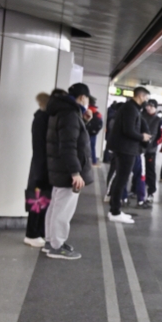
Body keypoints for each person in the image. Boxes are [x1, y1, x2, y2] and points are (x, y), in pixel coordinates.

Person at [42, 84, 94, 260]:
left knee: (56, 206)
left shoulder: (61, 111)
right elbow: (68, 146)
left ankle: (50, 241)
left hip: (59, 168)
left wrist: (84, 121)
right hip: (66, 171)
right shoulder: (70, 114)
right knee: (63, 209)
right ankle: (57, 246)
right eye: (87, 98)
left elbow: (69, 138)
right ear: (82, 97)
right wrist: (75, 173)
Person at [106, 87, 151, 223]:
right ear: (141, 96)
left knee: (121, 178)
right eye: (146, 98)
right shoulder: (130, 109)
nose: (146, 101)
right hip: (126, 149)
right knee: (121, 179)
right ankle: (115, 211)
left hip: (125, 148)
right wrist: (142, 137)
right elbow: (128, 130)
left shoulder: (131, 108)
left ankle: (115, 209)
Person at [24, 92, 51, 248]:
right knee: (38, 201)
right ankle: (32, 233)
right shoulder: (43, 119)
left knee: (40, 201)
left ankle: (37, 232)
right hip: (41, 167)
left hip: (39, 166)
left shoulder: (40, 117)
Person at [141, 99, 162, 202]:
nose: (148, 108)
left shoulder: (160, 121)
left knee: (150, 171)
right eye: (147, 106)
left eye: (150, 106)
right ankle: (135, 189)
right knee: (138, 170)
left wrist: (154, 144)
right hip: (140, 148)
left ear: (155, 107)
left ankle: (151, 191)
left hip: (151, 151)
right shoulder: (142, 117)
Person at [85, 98, 102, 165]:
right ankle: (93, 161)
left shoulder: (87, 110)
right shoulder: (97, 112)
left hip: (87, 132)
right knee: (92, 147)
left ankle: (89, 162)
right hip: (93, 133)